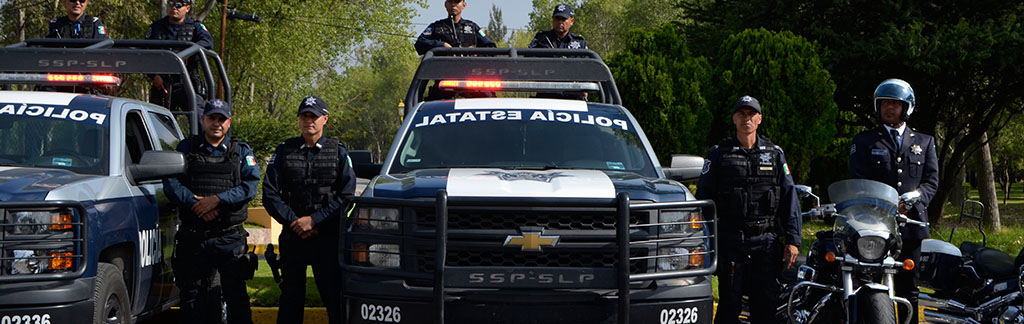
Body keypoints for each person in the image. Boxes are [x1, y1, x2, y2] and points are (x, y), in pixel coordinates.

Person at [696, 95, 801, 324]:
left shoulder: (774, 154)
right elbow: (703, 199)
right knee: (729, 306)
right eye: (742, 114)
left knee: (765, 307)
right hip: (732, 242)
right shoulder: (719, 154)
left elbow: (789, 197)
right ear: (734, 118)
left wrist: (793, 240)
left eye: (752, 114)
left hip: (765, 243)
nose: (747, 119)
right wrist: (706, 242)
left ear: (759, 119)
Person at [163, 99, 259, 324]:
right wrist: (194, 204)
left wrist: (217, 200)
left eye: (221, 119)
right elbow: (171, 182)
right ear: (203, 119)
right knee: (192, 296)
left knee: (236, 296)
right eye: (212, 118)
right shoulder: (186, 149)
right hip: (193, 236)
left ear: (229, 122)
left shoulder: (240, 151)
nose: (216, 123)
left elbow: (250, 186)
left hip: (229, 237)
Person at [850, 78, 938, 324]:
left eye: (895, 104)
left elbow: (931, 181)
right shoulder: (864, 141)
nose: (889, 108)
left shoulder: (925, 141)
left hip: (911, 227)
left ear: (906, 107)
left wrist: (915, 200)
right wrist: (884, 204)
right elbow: (858, 179)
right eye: (885, 103)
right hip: (874, 226)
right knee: (869, 285)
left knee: (908, 288)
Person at [263, 96, 356, 324]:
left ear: (325, 119)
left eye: (313, 116)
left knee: (333, 297)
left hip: (326, 238)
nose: (308, 121)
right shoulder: (284, 151)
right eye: (304, 116)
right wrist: (295, 222)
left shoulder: (339, 153)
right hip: (294, 237)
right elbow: (270, 193)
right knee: (291, 299)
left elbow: (347, 196)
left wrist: (314, 221)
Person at [145, 0, 213, 111]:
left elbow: (207, 42)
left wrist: (187, 53)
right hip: (162, 84)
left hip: (188, 82)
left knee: (199, 116)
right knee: (158, 122)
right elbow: (145, 53)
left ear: (187, 8)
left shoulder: (195, 27)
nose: (174, 8)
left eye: (179, 5)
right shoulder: (157, 27)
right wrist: (154, 75)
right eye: (171, 4)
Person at [415, 0, 496, 55]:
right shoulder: (436, 26)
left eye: (457, 2)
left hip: (469, 73)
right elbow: (420, 43)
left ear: (464, 5)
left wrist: (475, 53)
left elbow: (491, 47)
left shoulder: (472, 27)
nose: (453, 5)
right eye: (450, 1)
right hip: (445, 73)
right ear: (446, 4)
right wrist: (442, 45)